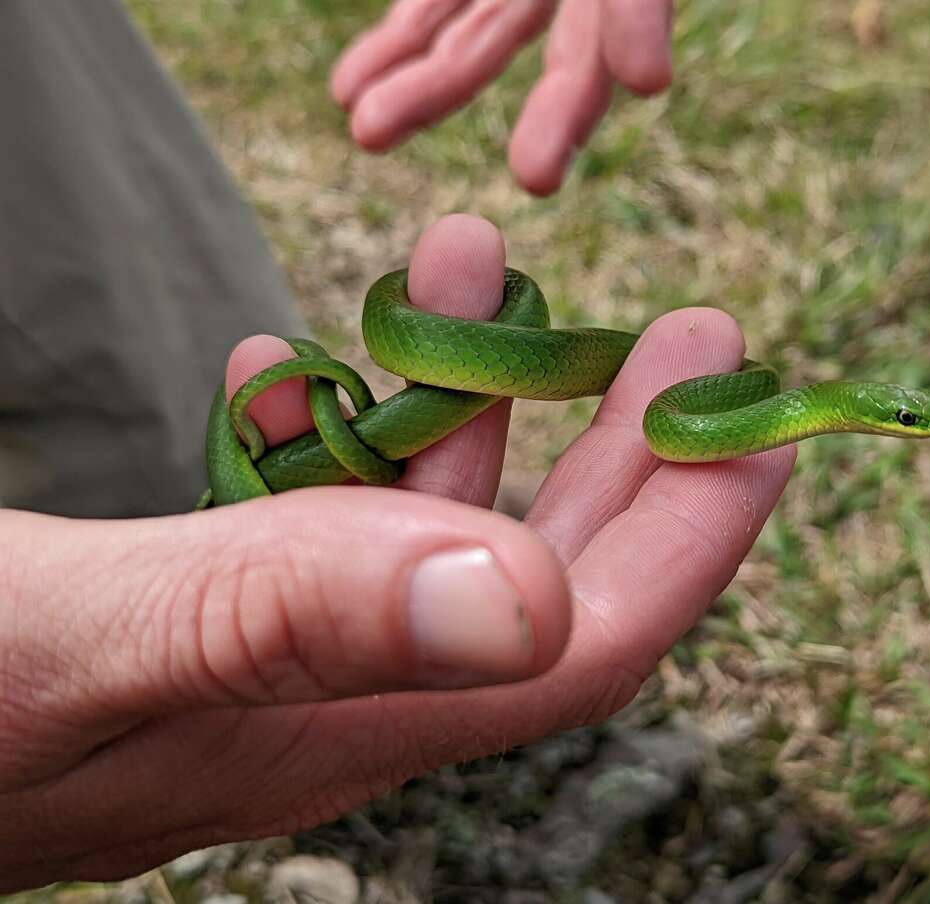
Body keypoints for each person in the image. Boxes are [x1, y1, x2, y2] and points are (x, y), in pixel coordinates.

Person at [0, 0, 794, 890]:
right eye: (906, 422)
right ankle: (143, 686)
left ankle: (204, 566)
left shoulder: (723, 402)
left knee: (147, 314)